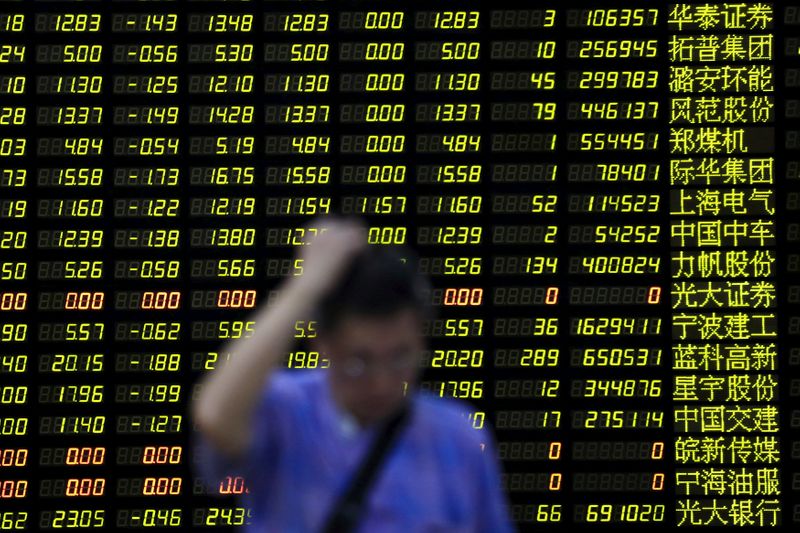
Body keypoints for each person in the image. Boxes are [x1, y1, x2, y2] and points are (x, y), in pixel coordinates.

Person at [191, 215, 515, 532]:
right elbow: (215, 414)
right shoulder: (285, 411)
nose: (382, 383)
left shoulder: (461, 436)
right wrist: (306, 283)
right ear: (322, 345)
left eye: (401, 357)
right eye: (359, 363)